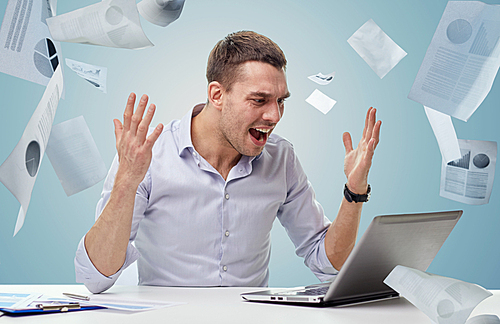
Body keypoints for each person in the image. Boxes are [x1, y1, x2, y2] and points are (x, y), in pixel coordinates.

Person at [75, 30, 381, 293]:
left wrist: (354, 191)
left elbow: (328, 264)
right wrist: (127, 182)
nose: (274, 116)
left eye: (281, 101)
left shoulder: (281, 158)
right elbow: (94, 277)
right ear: (217, 94)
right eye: (259, 100)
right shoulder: (147, 156)